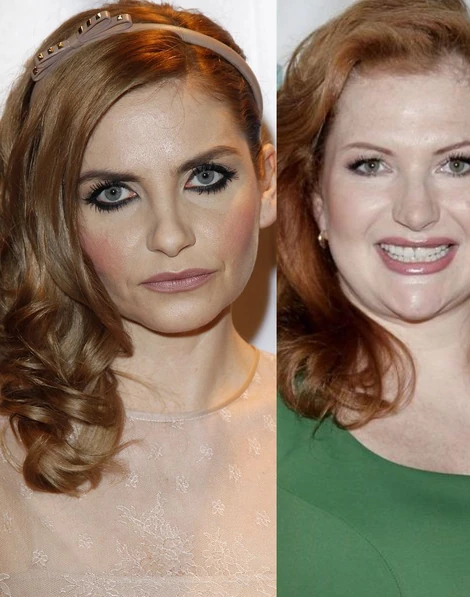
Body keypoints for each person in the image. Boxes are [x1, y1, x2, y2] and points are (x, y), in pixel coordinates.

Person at [0, 2, 277, 595]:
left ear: (268, 180)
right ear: (54, 217)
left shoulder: (342, 430)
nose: (170, 236)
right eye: (113, 194)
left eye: (206, 178)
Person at [276, 0, 470, 594]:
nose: (416, 211)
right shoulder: (258, 424)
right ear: (317, 201)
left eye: (457, 164)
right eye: (370, 165)